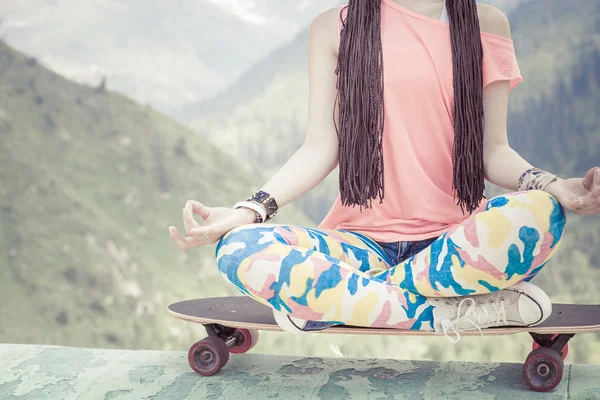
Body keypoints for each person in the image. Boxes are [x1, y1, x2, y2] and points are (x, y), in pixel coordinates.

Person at [170, 0, 600, 342]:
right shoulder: (333, 26)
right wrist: (248, 211)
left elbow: (494, 151)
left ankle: (338, 301)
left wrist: (553, 185)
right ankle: (448, 314)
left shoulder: (486, 23)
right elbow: (322, 145)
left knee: (541, 214)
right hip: (360, 246)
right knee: (238, 248)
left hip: (456, 247)